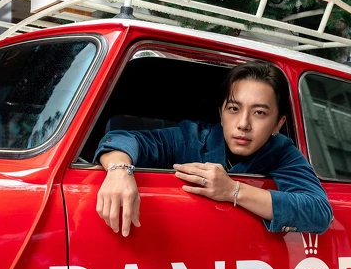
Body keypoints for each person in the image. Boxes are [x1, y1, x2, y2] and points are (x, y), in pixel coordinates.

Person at [94, 61, 333, 237]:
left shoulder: (282, 152)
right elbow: (123, 138)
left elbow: (319, 211)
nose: (243, 124)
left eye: (259, 113)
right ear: (221, 114)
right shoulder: (192, 138)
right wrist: (119, 170)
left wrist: (233, 190)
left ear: (278, 124)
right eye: (234, 109)